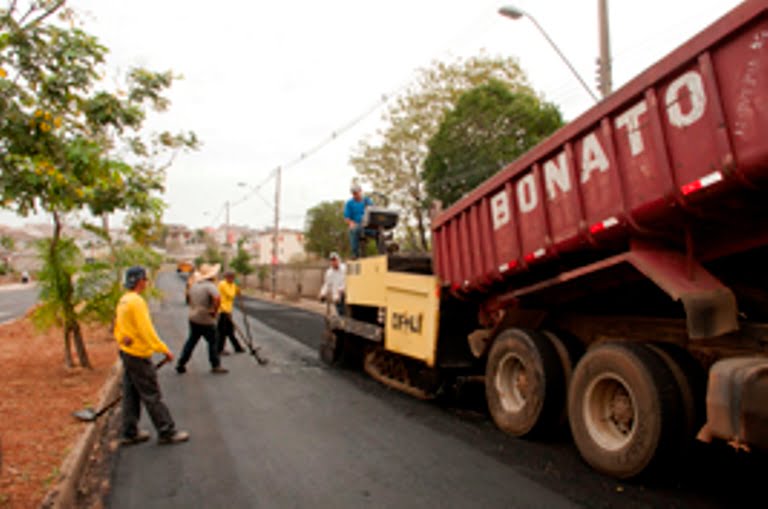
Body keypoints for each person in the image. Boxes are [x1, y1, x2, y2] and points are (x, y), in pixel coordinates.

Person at [114, 266, 189, 445]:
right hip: (138, 355)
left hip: (127, 353)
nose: (146, 282)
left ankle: (129, 432)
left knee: (131, 393)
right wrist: (163, 349)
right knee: (151, 394)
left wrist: (122, 340)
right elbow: (146, 330)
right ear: (140, 281)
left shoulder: (124, 300)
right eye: (145, 279)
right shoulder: (137, 302)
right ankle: (166, 431)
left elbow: (118, 327)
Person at [176, 263, 229, 374]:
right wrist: (214, 311)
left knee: (191, 341)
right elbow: (217, 298)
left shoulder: (194, 285)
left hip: (193, 317)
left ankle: (181, 363)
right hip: (206, 318)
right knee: (213, 341)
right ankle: (215, 365)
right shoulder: (210, 286)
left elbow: (189, 298)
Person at [217, 270, 245, 355]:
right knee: (222, 331)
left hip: (228, 310)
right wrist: (235, 287)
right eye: (230, 277)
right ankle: (219, 349)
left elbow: (237, 292)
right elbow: (230, 294)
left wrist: (238, 289)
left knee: (230, 331)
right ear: (226, 277)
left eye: (233, 278)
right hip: (222, 311)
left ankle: (237, 347)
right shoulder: (222, 284)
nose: (232, 279)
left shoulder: (232, 284)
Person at [344, 183, 373, 259]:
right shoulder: (349, 203)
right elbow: (347, 218)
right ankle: (355, 254)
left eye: (356, 193)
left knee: (379, 231)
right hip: (357, 225)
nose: (355, 195)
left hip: (368, 225)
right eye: (353, 193)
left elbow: (373, 211)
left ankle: (384, 251)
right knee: (354, 229)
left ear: (360, 191)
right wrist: (351, 223)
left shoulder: (367, 201)